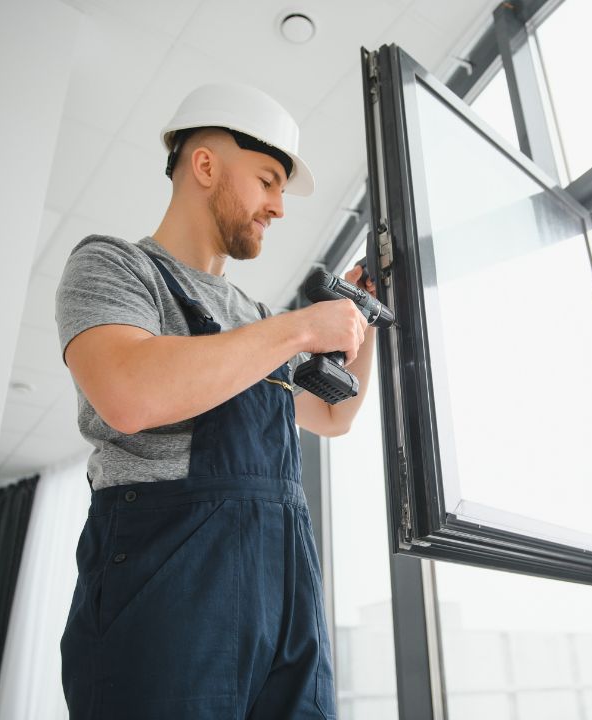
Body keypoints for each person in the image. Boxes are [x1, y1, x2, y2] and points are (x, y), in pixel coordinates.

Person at [56, 83, 376, 720]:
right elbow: (129, 392)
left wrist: (365, 321)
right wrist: (301, 328)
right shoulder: (114, 267)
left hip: (284, 588)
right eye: (267, 181)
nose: (279, 207)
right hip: (168, 587)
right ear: (204, 165)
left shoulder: (254, 318)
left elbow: (332, 416)